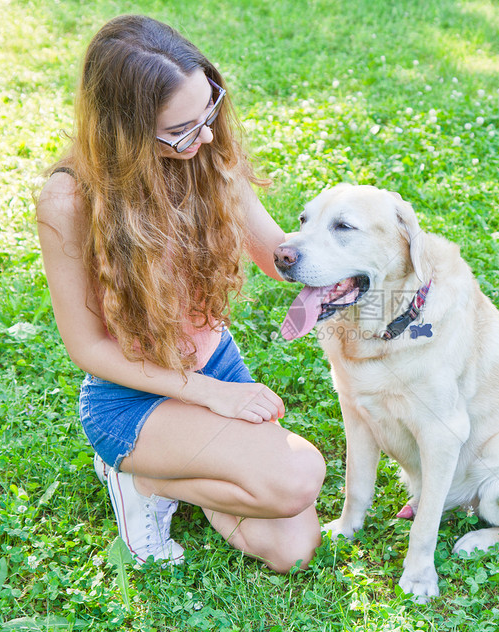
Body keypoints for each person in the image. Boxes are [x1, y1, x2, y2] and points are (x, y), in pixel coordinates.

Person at [36, 14, 325, 572]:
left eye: (209, 111)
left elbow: (275, 255)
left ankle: (167, 477)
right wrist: (212, 397)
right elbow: (87, 347)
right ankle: (138, 475)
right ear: (124, 129)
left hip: (215, 365)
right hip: (133, 396)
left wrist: (355, 253)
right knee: (297, 477)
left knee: (291, 549)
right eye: (183, 129)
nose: (209, 136)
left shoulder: (205, 157)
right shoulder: (68, 201)